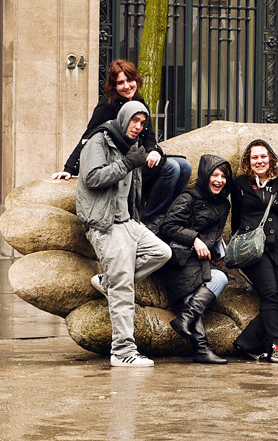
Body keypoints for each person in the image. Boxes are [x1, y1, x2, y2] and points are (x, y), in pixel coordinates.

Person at [76, 100, 172, 367]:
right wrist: (128, 164)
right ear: (123, 119)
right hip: (105, 224)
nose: (138, 127)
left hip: (128, 222)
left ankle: (108, 283)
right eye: (134, 121)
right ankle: (122, 352)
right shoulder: (100, 141)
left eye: (142, 123)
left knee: (162, 252)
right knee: (124, 287)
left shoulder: (131, 146)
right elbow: (92, 178)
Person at [52, 59, 192, 232]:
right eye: (120, 82)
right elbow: (88, 137)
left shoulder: (139, 102)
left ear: (136, 80)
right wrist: (69, 168)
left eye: (129, 80)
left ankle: (168, 217)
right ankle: (149, 221)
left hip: (139, 160)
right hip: (122, 166)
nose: (126, 86)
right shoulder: (106, 106)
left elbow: (149, 136)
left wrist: (153, 150)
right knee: (171, 168)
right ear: (113, 85)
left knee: (185, 166)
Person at [158, 154, 232, 365]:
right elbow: (167, 227)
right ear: (205, 175)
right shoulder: (187, 198)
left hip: (200, 260)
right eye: (215, 175)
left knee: (220, 278)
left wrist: (215, 251)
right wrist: (195, 240)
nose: (219, 180)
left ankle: (185, 321)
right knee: (195, 289)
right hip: (179, 259)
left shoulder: (224, 205)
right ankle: (201, 348)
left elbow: (214, 235)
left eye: (224, 176)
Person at [231, 139, 278, 365]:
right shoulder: (240, 184)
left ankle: (248, 341)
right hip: (253, 251)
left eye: (263, 156)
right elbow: (236, 219)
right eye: (254, 157)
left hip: (277, 248)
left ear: (271, 158)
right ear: (248, 162)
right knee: (270, 294)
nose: (259, 161)